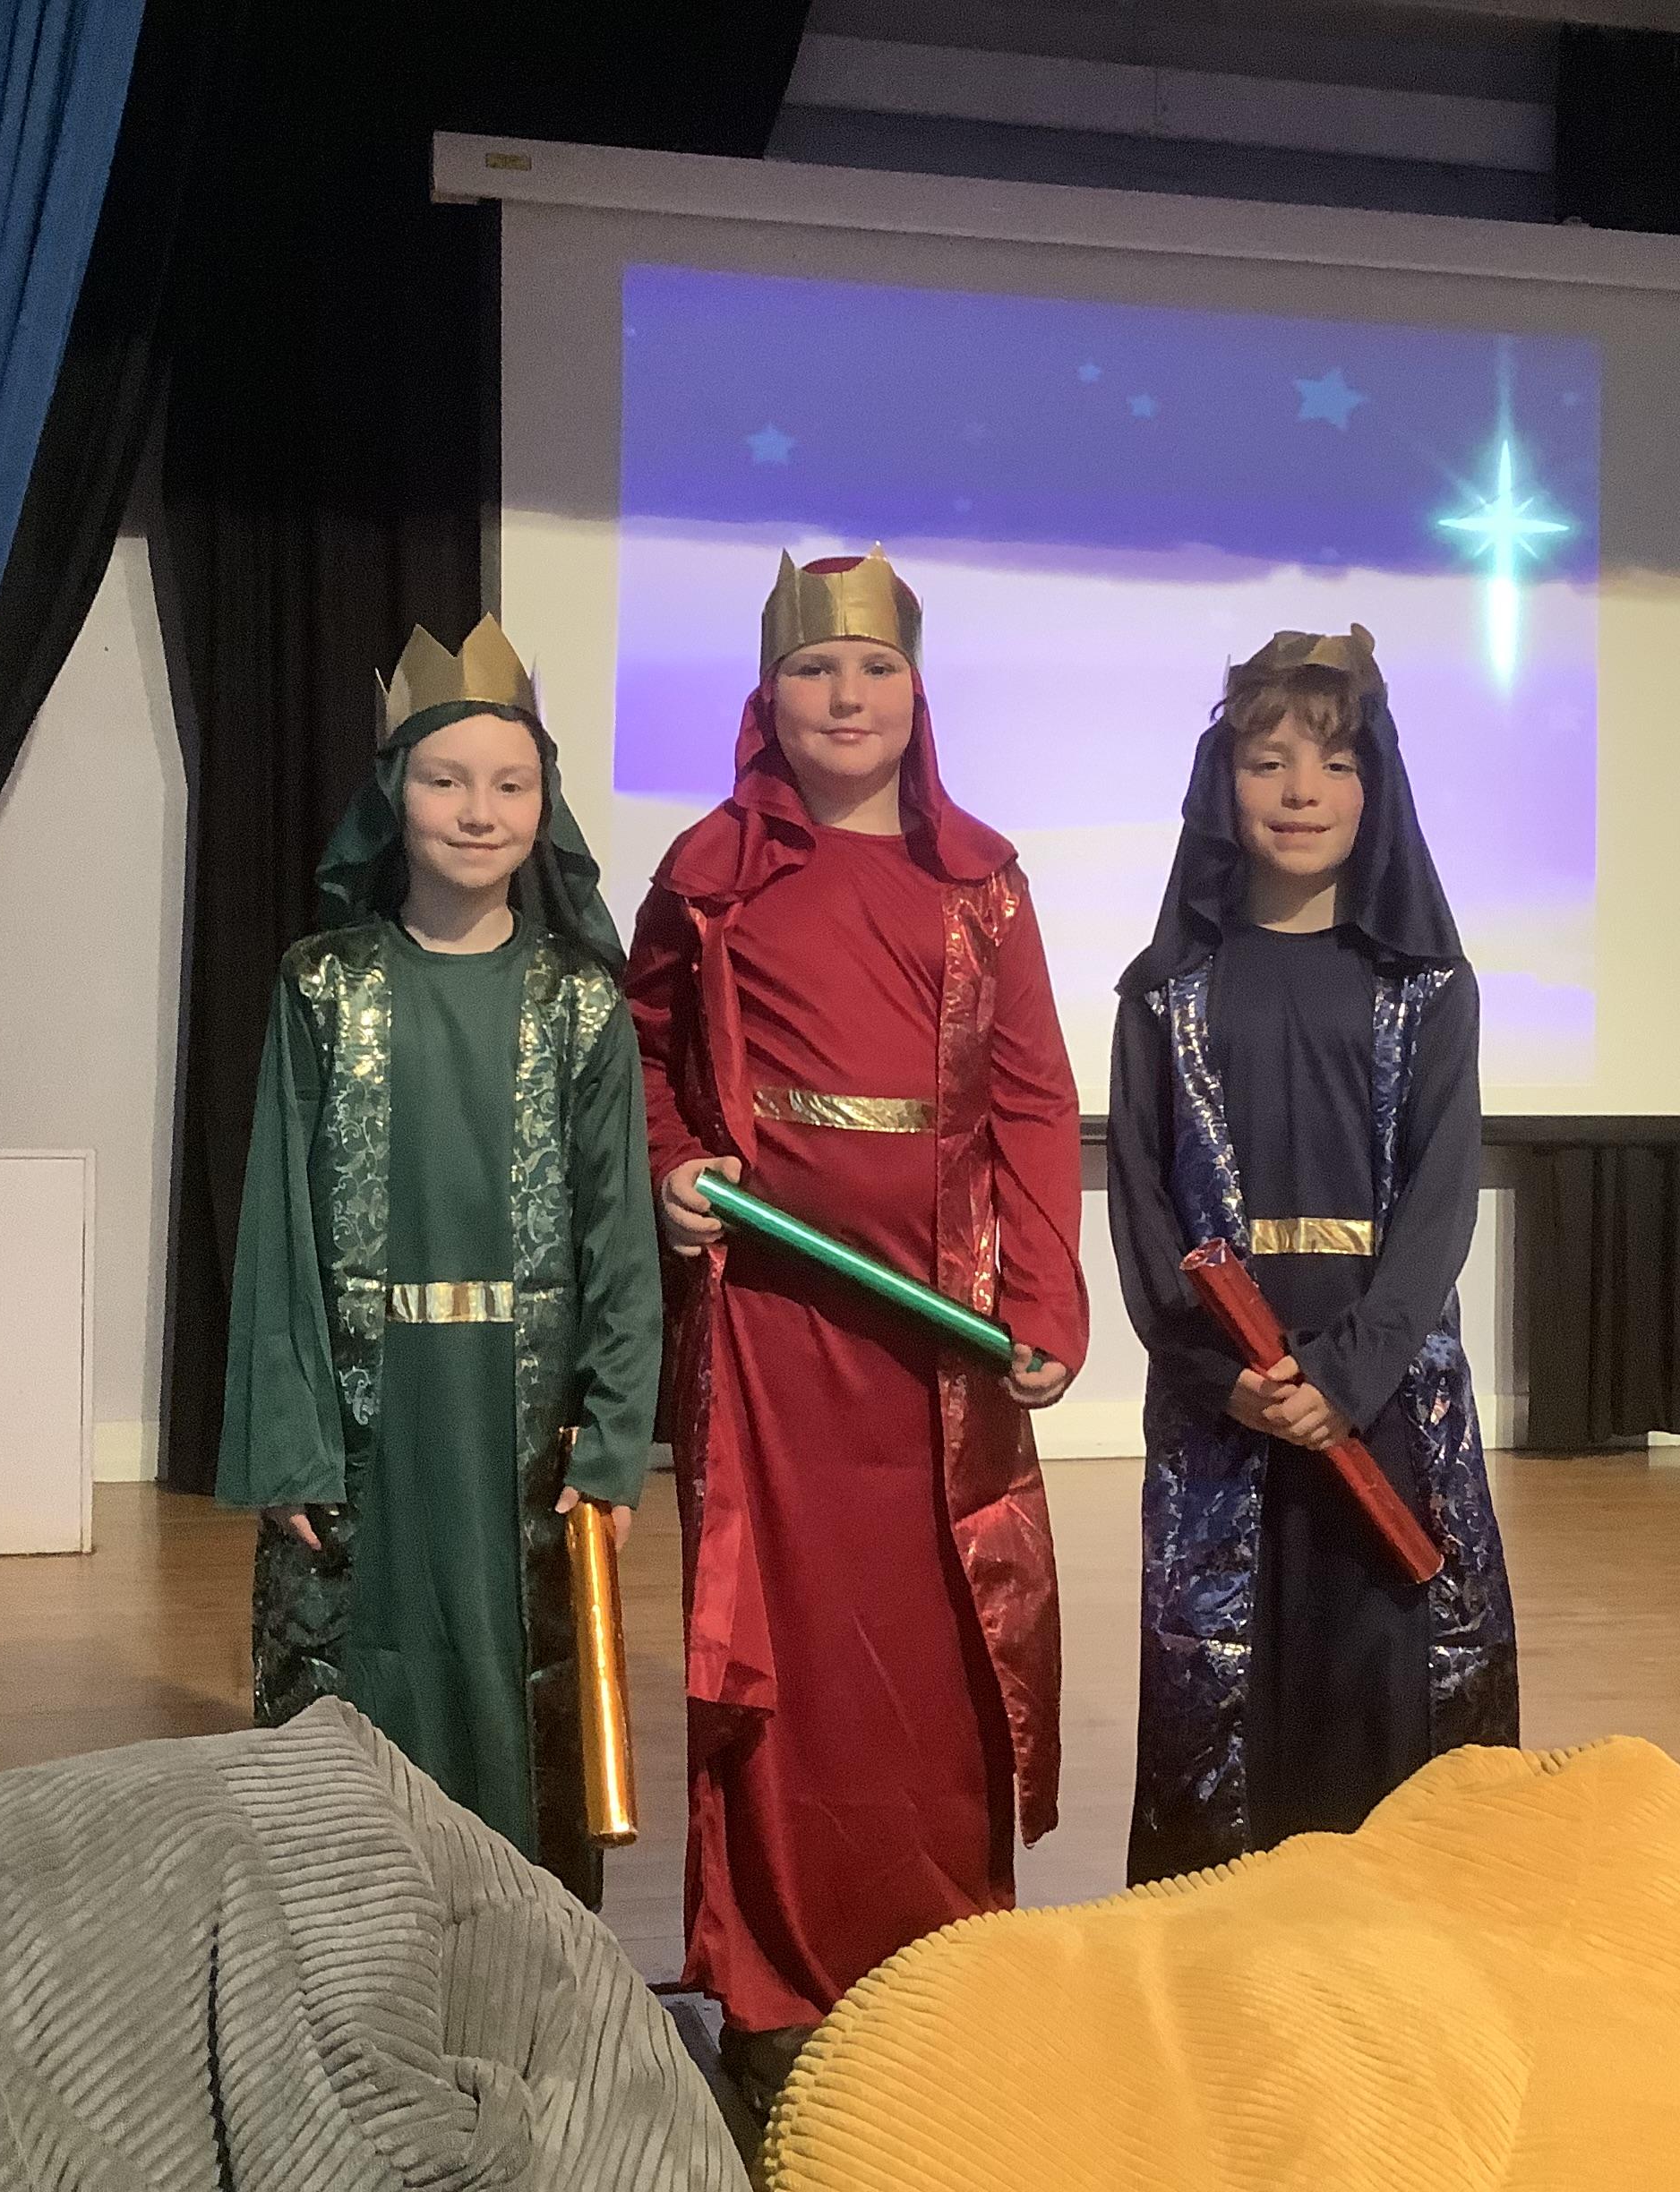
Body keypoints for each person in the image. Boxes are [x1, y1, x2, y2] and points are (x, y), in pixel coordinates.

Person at [624, 548, 1086, 2110]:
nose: (846, 695)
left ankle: (942, 1964)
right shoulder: (709, 875)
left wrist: (1045, 1297)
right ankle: (773, 1986)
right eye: (815, 669)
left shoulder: (984, 883)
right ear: (769, 696)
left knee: (941, 1655)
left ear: (916, 690)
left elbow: (1032, 1097)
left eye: (875, 667)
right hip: (771, 1330)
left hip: (938, 1334)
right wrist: (674, 1165)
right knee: (783, 1652)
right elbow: (643, 1052)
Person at [215, 615, 658, 1906]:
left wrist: (614, 1437)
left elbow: (618, 1239)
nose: (478, 812)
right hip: (373, 1423)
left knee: (516, 1689)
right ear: (392, 797)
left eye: (510, 785)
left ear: (544, 806)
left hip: (522, 1435)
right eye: (446, 780)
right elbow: (280, 1228)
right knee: (374, 1673)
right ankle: (357, 1944)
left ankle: (523, 1952)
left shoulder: (580, 1003)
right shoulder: (322, 987)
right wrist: (291, 1438)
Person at [1108, 626, 1518, 1887]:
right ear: (1221, 784)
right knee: (1229, 1689)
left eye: (1335, 764)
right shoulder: (1166, 991)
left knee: (1381, 1681)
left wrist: (1346, 1373)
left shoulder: (1428, 987)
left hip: (1381, 1399)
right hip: (1225, 1404)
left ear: (1375, 788)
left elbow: (1440, 1204)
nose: (1301, 792)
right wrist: (1215, 1372)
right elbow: (1144, 1210)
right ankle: (1226, 1959)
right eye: (1268, 761)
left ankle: (1395, 1944)